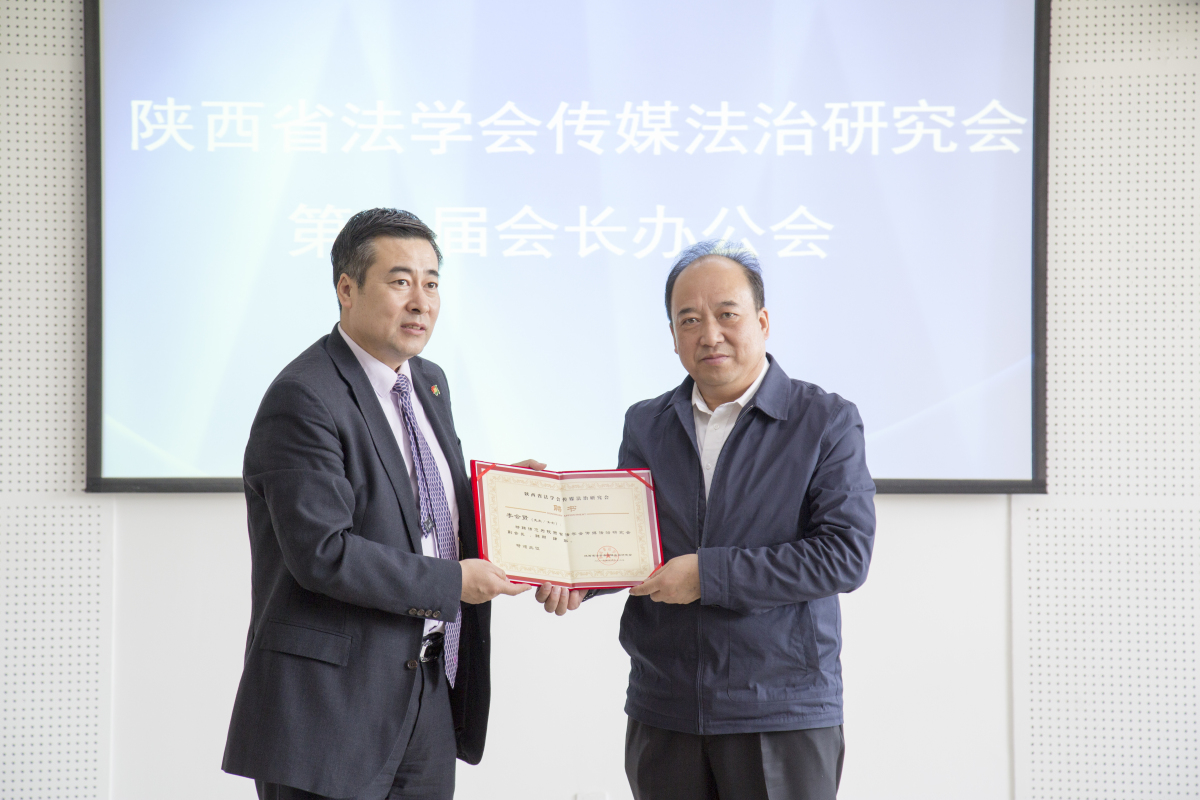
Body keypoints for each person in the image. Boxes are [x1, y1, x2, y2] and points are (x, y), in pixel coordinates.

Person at [537, 240, 875, 800]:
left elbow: (844, 555)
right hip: (665, 705)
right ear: (673, 337)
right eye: (689, 319)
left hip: (780, 709)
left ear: (762, 322)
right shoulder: (646, 423)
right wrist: (573, 575)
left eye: (727, 314)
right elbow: (631, 538)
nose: (709, 334)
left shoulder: (824, 420)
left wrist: (706, 576)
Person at [222, 208, 535, 800]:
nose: (421, 302)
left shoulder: (428, 381)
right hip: (328, 711)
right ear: (347, 289)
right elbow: (323, 553)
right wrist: (453, 583)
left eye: (432, 283)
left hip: (425, 693)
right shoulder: (304, 396)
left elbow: (422, 508)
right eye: (400, 281)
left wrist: (508, 500)